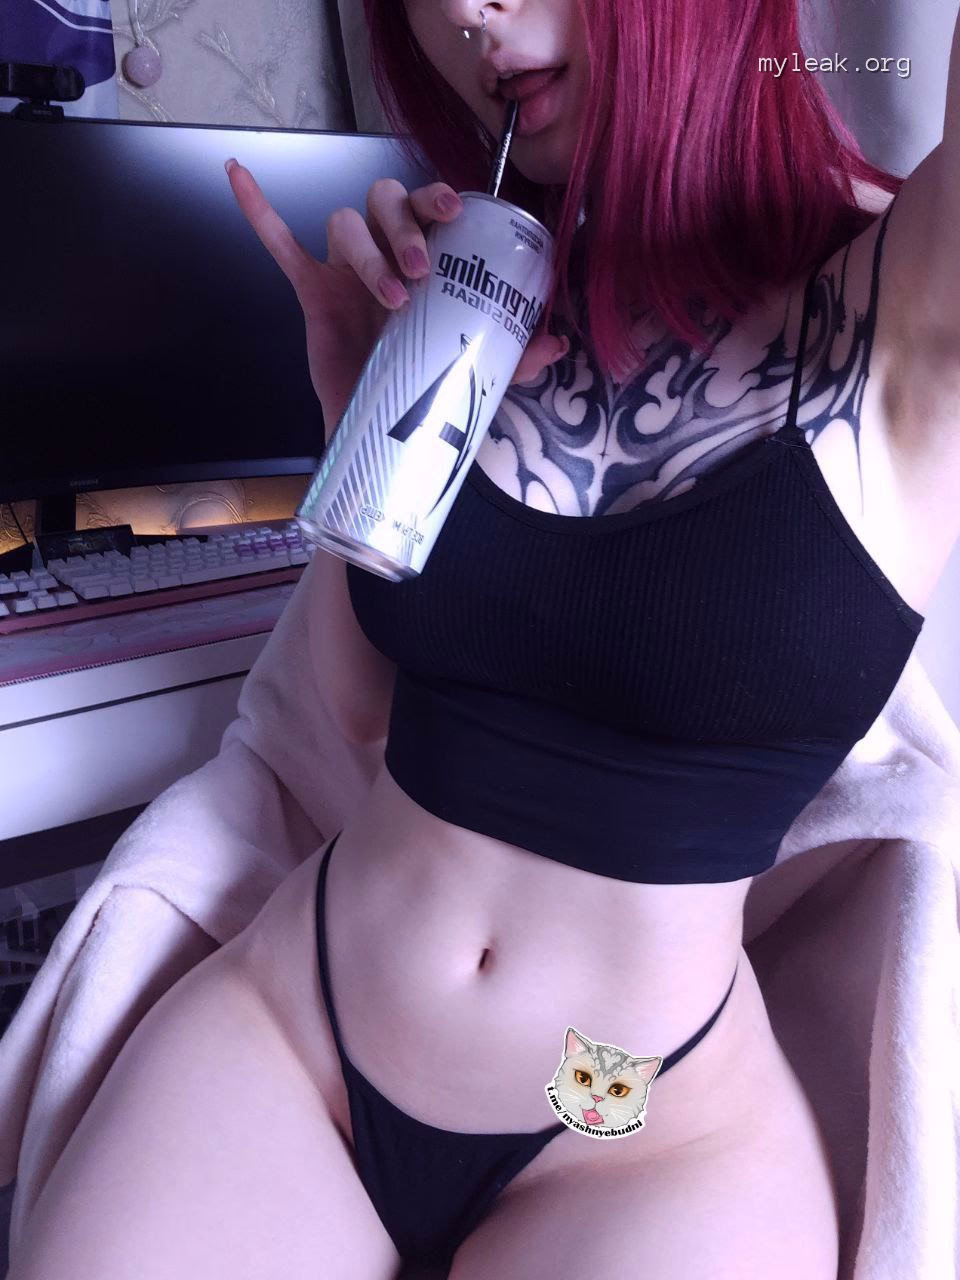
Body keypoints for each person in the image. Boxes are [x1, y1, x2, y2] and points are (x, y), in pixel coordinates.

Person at [9, 1, 960, 1277]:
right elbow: (360, 719)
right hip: (300, 1026)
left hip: (634, 1127)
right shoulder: (488, 283)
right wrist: (357, 417)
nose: (463, 10)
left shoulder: (912, 309)